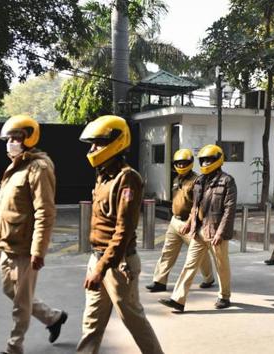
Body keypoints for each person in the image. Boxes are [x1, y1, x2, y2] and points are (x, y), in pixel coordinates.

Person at [76, 115, 163, 354]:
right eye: (92, 144)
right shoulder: (103, 174)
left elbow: (123, 231)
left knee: (133, 320)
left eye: (98, 143)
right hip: (99, 259)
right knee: (91, 323)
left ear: (116, 143)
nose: (93, 149)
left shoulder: (127, 178)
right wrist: (97, 264)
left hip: (118, 264)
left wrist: (101, 268)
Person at [0, 114, 67, 354]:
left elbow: (45, 212)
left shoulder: (38, 168)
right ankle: (53, 318)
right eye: (8, 138)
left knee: (21, 303)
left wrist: (38, 250)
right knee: (9, 290)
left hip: (24, 247)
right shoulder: (15, 167)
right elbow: (2, 207)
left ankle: (14, 347)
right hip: (7, 243)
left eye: (16, 137)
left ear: (29, 138)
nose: (10, 142)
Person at [159, 144, 237, 312]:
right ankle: (178, 300)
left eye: (210, 159)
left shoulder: (227, 181)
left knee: (221, 265)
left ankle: (224, 296)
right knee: (189, 265)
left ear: (218, 160)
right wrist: (189, 223)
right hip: (199, 230)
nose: (206, 163)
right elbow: (195, 205)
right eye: (204, 160)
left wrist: (221, 233)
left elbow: (229, 210)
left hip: (216, 231)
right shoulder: (200, 181)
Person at [145, 148, 214, 292]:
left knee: (199, 254)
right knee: (167, 252)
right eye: (179, 163)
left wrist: (190, 222)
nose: (181, 166)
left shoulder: (197, 181)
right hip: (175, 221)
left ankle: (209, 278)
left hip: (190, 223)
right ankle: (159, 281)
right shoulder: (176, 179)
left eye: (184, 163)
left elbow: (198, 205)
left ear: (190, 163)